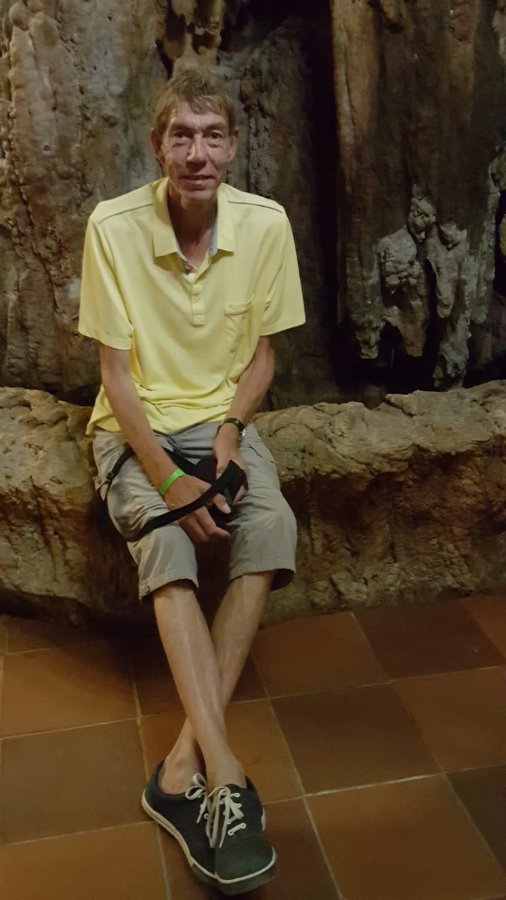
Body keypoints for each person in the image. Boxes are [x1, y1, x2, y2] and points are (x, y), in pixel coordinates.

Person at [78, 66, 305, 895]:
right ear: (157, 145)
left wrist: (232, 431)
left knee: (271, 526)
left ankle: (179, 768)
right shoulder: (112, 227)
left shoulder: (266, 225)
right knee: (168, 545)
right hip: (136, 431)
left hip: (219, 424)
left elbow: (263, 357)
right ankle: (225, 774)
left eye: (212, 137)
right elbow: (116, 377)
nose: (198, 153)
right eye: (182, 136)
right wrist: (167, 478)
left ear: (233, 146)